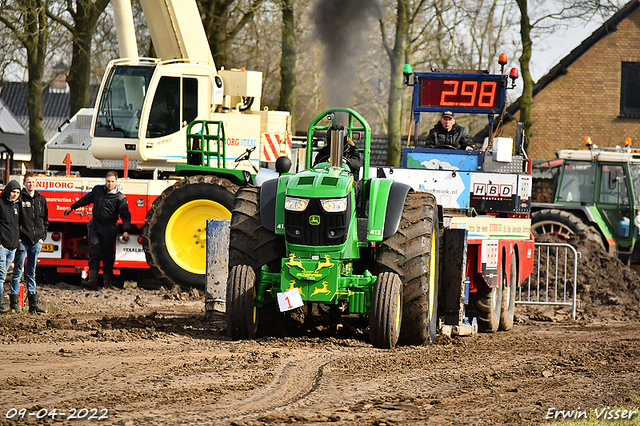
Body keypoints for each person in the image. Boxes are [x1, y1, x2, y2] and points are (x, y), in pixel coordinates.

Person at [63, 171, 131, 289]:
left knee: (107, 255)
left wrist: (126, 230)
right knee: (94, 253)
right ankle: (92, 280)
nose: (110, 184)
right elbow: (86, 200)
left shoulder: (120, 198)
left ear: (116, 182)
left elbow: (125, 215)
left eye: (112, 181)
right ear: (105, 181)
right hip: (95, 226)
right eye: (108, 181)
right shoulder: (98, 191)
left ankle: (107, 283)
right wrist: (72, 207)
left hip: (109, 228)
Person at [10, 172, 48, 313]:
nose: (31, 184)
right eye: (28, 182)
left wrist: (42, 237)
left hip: (36, 241)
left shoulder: (41, 200)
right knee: (18, 270)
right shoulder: (19, 199)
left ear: (36, 183)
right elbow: (15, 220)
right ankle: (14, 303)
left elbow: (45, 220)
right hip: (22, 241)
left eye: (33, 182)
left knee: (31, 271)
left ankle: (33, 304)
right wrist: (18, 236)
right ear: (24, 184)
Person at [0, 180, 22, 314]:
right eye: (13, 192)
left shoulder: (16, 206)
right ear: (8, 191)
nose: (15, 195)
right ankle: (1, 305)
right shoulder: (1, 203)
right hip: (2, 246)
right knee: (1, 276)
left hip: (12, 247)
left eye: (17, 192)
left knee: (4, 274)